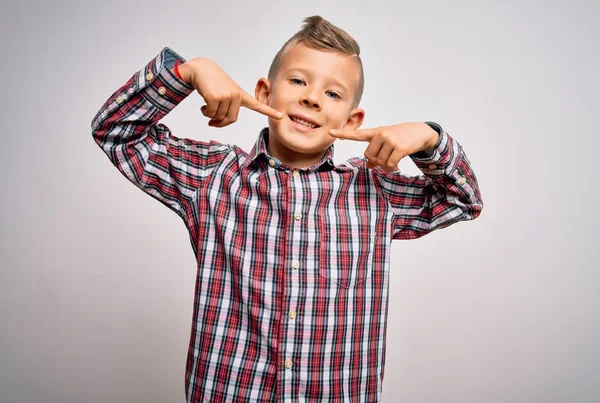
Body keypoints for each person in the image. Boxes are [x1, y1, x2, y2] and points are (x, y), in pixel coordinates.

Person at [91, 15, 483, 403]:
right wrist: (191, 71)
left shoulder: (374, 191)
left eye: (332, 94)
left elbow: (462, 200)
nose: (312, 98)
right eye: (297, 81)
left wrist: (431, 138)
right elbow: (117, 132)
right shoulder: (213, 177)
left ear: (352, 120)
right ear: (264, 93)